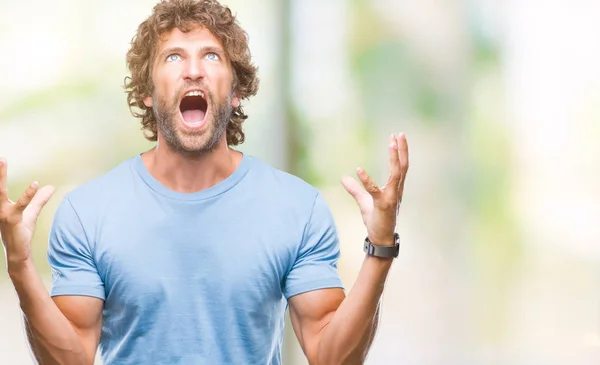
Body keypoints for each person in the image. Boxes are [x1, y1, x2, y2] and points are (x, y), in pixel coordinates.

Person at [0, 0, 409, 364]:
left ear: (235, 91)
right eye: (174, 57)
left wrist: (380, 250)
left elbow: (332, 356)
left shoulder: (296, 207)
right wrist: (19, 266)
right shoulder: (87, 212)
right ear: (147, 91)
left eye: (211, 56)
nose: (193, 70)